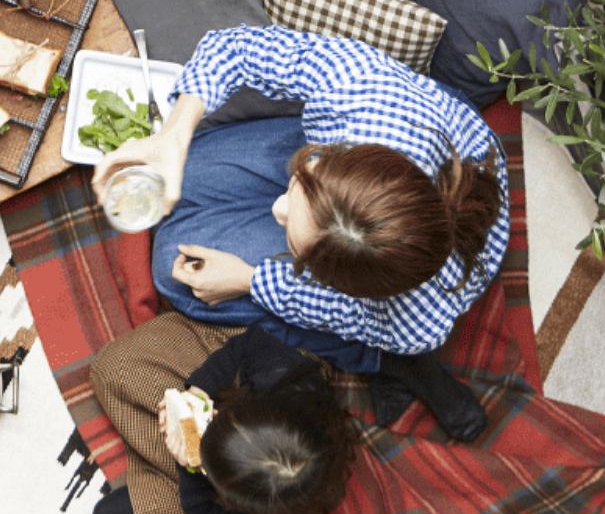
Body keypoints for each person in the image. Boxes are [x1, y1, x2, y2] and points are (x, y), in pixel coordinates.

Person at [92, 26, 509, 361]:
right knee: (185, 170)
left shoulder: (413, 318)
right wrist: (174, 135)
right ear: (341, 152)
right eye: (299, 183)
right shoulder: (360, 92)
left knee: (173, 268)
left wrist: (249, 280)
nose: (278, 208)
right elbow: (235, 49)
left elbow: (337, 308)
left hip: (379, 284)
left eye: (297, 244)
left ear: (340, 283)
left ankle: (370, 361)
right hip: (422, 127)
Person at [90, 319, 359, 514]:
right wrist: (196, 392)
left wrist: (190, 464)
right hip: (235, 391)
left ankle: (179, 468)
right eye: (221, 421)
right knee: (112, 367)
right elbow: (247, 346)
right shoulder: (285, 375)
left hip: (200, 494)